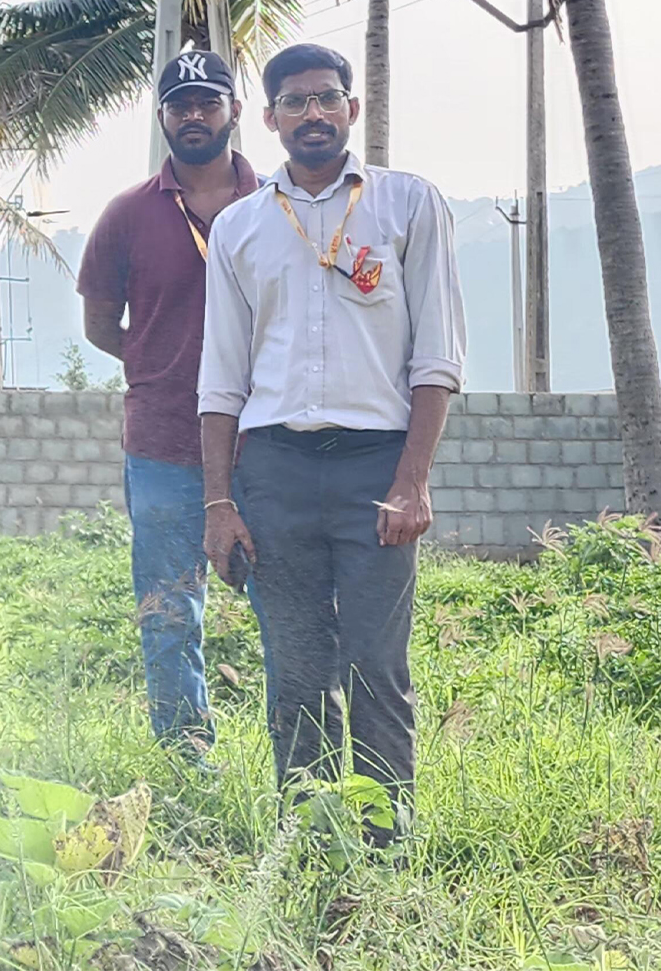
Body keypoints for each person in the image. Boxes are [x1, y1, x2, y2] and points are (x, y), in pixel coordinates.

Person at [199, 43, 465, 842]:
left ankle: (385, 850)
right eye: (295, 102)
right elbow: (220, 381)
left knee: (376, 666)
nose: (312, 114)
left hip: (374, 470)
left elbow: (438, 357)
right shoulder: (240, 226)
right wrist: (220, 503)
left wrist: (413, 481)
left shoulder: (407, 206)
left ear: (352, 109)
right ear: (270, 118)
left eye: (327, 99)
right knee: (298, 669)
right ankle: (312, 842)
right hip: (274, 472)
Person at [77, 50, 259, 760]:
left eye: (208, 103)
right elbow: (98, 324)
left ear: (235, 112)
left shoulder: (274, 203)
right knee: (169, 609)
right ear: (162, 118)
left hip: (266, 441)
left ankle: (301, 761)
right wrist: (160, 366)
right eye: (179, 105)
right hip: (160, 445)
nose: (194, 115)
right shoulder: (127, 215)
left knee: (288, 608)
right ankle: (188, 756)